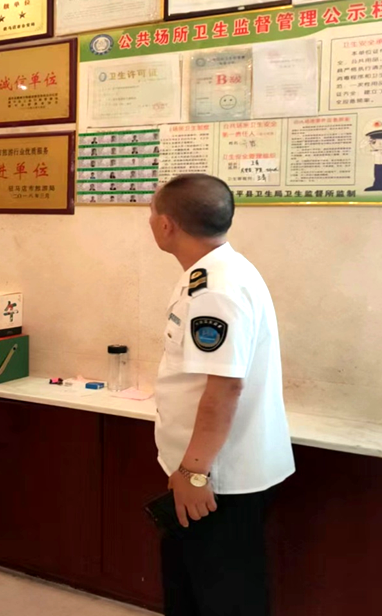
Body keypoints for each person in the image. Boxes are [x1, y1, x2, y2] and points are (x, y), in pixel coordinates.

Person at [148, 173, 295, 616]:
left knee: (225, 597)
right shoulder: (213, 272)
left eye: (151, 214)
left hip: (217, 479)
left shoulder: (216, 289)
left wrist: (193, 473)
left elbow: (225, 387)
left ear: (167, 224)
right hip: (209, 470)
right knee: (191, 588)